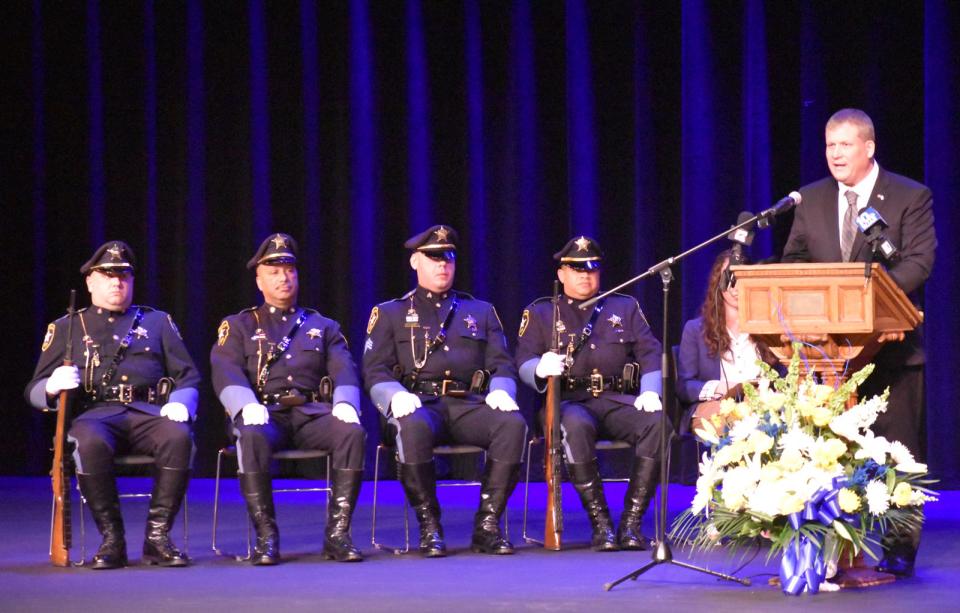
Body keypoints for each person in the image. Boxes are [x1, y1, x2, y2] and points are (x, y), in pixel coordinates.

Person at [782, 108, 937, 577]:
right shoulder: (809, 199)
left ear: (868, 148)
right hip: (827, 356)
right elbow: (793, 263)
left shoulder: (910, 196)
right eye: (830, 146)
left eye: (845, 145)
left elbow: (919, 263)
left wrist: (864, 301)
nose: (835, 154)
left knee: (897, 453)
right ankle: (828, 545)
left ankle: (898, 548)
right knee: (828, 453)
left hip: (891, 351)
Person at [25, 241, 200, 569]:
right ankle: (112, 539)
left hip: (149, 413)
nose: (117, 282)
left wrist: (180, 402)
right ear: (91, 282)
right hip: (96, 415)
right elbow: (33, 389)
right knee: (87, 443)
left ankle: (158, 538)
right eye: (108, 276)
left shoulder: (157, 322)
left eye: (124, 276)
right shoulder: (67, 327)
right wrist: (51, 386)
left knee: (178, 437)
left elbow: (188, 376)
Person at [362, 224, 527, 557]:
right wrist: (394, 395)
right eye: (434, 258)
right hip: (418, 403)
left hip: (469, 403)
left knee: (513, 425)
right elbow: (373, 369)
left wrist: (501, 390)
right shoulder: (391, 313)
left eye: (448, 258)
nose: (442, 265)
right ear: (415, 263)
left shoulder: (480, 311)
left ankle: (488, 525)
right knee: (412, 427)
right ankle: (429, 525)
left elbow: (502, 364)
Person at [210, 233, 365, 565]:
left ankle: (337, 534)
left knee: (351, 433)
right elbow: (225, 369)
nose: (283, 277)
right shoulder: (238, 325)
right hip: (264, 413)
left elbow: (344, 368)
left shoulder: (322, 325)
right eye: (274, 270)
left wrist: (346, 403)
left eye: (289, 270)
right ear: (259, 279)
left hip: (311, 413)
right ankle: (266, 536)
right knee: (250, 437)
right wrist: (244, 404)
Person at [515, 236, 664, 551]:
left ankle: (631, 524)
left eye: (592, 269)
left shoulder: (624, 306)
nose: (585, 275)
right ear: (561, 274)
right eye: (577, 268)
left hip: (616, 400)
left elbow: (651, 353)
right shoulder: (542, 313)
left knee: (657, 422)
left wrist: (650, 391)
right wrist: (539, 368)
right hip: (569, 402)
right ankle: (601, 524)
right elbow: (521, 361)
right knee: (576, 426)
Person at [677, 250, 778, 436]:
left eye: (740, 277)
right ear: (718, 282)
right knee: (731, 421)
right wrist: (721, 387)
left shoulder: (767, 328)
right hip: (715, 407)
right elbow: (684, 387)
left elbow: (782, 379)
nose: (735, 287)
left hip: (759, 406)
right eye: (728, 277)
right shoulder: (695, 330)